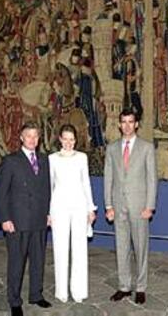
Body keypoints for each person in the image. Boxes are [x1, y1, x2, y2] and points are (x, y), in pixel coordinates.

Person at [0, 121, 51, 316]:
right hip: (17, 221)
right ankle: (14, 300)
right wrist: (5, 218)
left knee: (38, 260)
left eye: (35, 136)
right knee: (16, 263)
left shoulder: (44, 160)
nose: (32, 139)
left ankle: (36, 295)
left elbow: (46, 190)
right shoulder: (10, 161)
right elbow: (2, 193)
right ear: (21, 137)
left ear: (39, 139)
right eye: (28, 135)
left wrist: (48, 213)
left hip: (39, 220)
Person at [104, 108, 158, 305]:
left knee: (141, 248)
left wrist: (150, 206)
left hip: (140, 207)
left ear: (136, 124)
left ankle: (141, 287)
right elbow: (108, 178)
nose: (126, 125)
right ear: (119, 124)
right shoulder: (112, 148)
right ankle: (124, 286)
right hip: (118, 207)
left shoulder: (146, 147)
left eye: (130, 122)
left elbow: (152, 179)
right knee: (121, 247)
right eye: (123, 122)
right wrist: (108, 205)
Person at [49, 124, 97, 303]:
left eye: (72, 139)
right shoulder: (52, 159)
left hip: (79, 206)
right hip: (59, 207)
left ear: (75, 140)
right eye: (65, 138)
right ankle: (61, 291)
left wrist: (90, 208)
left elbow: (86, 183)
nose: (68, 142)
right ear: (60, 139)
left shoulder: (82, 157)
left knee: (80, 249)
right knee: (60, 249)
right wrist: (48, 212)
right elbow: (50, 186)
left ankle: (78, 291)